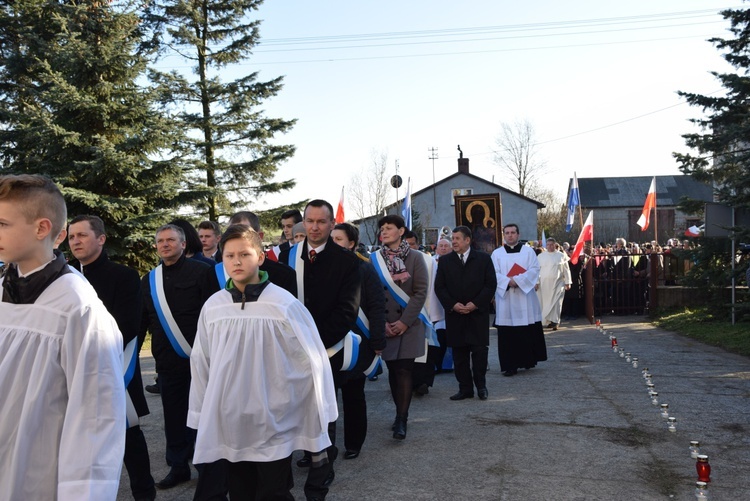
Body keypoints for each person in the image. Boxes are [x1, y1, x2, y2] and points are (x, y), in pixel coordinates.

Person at [188, 225, 337, 500]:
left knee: (274, 491)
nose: (236, 261)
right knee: (240, 490)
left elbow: (312, 361)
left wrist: (320, 408)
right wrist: (200, 412)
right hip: (231, 417)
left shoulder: (283, 304)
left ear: (259, 257)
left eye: (244, 254)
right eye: (229, 255)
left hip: (273, 418)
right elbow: (201, 361)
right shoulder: (214, 306)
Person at [0, 174, 126, 499]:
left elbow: (95, 417)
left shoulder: (78, 307)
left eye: (3, 223)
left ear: (42, 228)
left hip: (35, 474)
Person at [68, 214, 156, 501]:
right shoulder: (66, 277)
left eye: (82, 235)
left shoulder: (124, 276)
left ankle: (145, 494)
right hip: (73, 369)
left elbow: (128, 324)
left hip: (114, 363)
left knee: (129, 436)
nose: (75, 241)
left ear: (101, 239)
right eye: (71, 237)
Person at [288, 200, 360, 500]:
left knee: (323, 409)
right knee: (294, 407)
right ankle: (304, 452)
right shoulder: (286, 257)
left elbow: (347, 310)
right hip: (289, 348)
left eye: (321, 222)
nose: (314, 227)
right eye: (310, 221)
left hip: (325, 348)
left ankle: (322, 468)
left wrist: (315, 342)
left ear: (332, 224)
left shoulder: (348, 261)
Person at [140, 224, 220, 490]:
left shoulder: (204, 272)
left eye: (171, 240)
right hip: (167, 361)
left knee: (204, 415)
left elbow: (214, 316)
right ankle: (178, 467)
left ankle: (207, 468)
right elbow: (144, 321)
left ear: (184, 244)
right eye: (160, 240)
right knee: (174, 417)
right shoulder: (149, 280)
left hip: (201, 359)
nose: (165, 244)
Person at [331, 222, 386, 460]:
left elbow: (376, 306)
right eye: (330, 239)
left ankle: (354, 443)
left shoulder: (365, 270)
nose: (332, 244)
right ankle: (322, 448)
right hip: (329, 343)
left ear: (351, 243)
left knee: (354, 396)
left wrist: (377, 341)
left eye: (338, 240)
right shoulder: (321, 269)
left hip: (357, 343)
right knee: (325, 399)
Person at [371, 214, 428, 440]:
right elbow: (371, 293)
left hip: (409, 323)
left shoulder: (415, 258)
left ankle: (401, 419)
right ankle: (398, 412)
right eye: (382, 228)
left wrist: (404, 321)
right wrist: (381, 323)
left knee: (404, 369)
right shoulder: (374, 259)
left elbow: (421, 291)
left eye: (389, 228)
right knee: (393, 371)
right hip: (385, 324)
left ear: (401, 231)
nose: (384, 232)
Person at [435, 226, 496, 400]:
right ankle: (465, 389)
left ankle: (481, 386)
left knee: (479, 353)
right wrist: (453, 305)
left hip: (477, 314)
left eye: (457, 238)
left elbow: (490, 284)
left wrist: (475, 304)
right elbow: (439, 287)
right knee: (459, 354)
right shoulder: (445, 261)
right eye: (452, 238)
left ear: (467, 240)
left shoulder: (483, 259)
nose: (453, 241)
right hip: (455, 315)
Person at [491, 223, 547, 376]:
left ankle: (527, 360)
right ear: (504, 235)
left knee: (525, 329)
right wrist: (508, 282)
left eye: (513, 232)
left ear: (518, 235)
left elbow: (534, 269)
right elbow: (492, 272)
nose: (510, 235)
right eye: (507, 233)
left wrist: (518, 281)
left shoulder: (528, 252)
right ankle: (510, 365)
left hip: (525, 298)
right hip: (506, 298)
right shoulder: (497, 254)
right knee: (508, 333)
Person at [226, 211, 297, 296]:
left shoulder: (284, 275)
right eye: (232, 234)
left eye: (244, 234)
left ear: (260, 236)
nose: (237, 240)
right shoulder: (214, 274)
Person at [536, 238, 572, 331]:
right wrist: (536, 282)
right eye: (548, 244)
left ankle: (555, 321)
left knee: (557, 303)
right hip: (544, 284)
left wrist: (568, 282)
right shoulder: (541, 256)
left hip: (558, 283)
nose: (550, 246)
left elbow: (566, 269)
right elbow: (536, 270)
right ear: (546, 245)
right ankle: (548, 321)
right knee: (546, 303)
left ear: (555, 245)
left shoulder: (561, 255)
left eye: (552, 244)